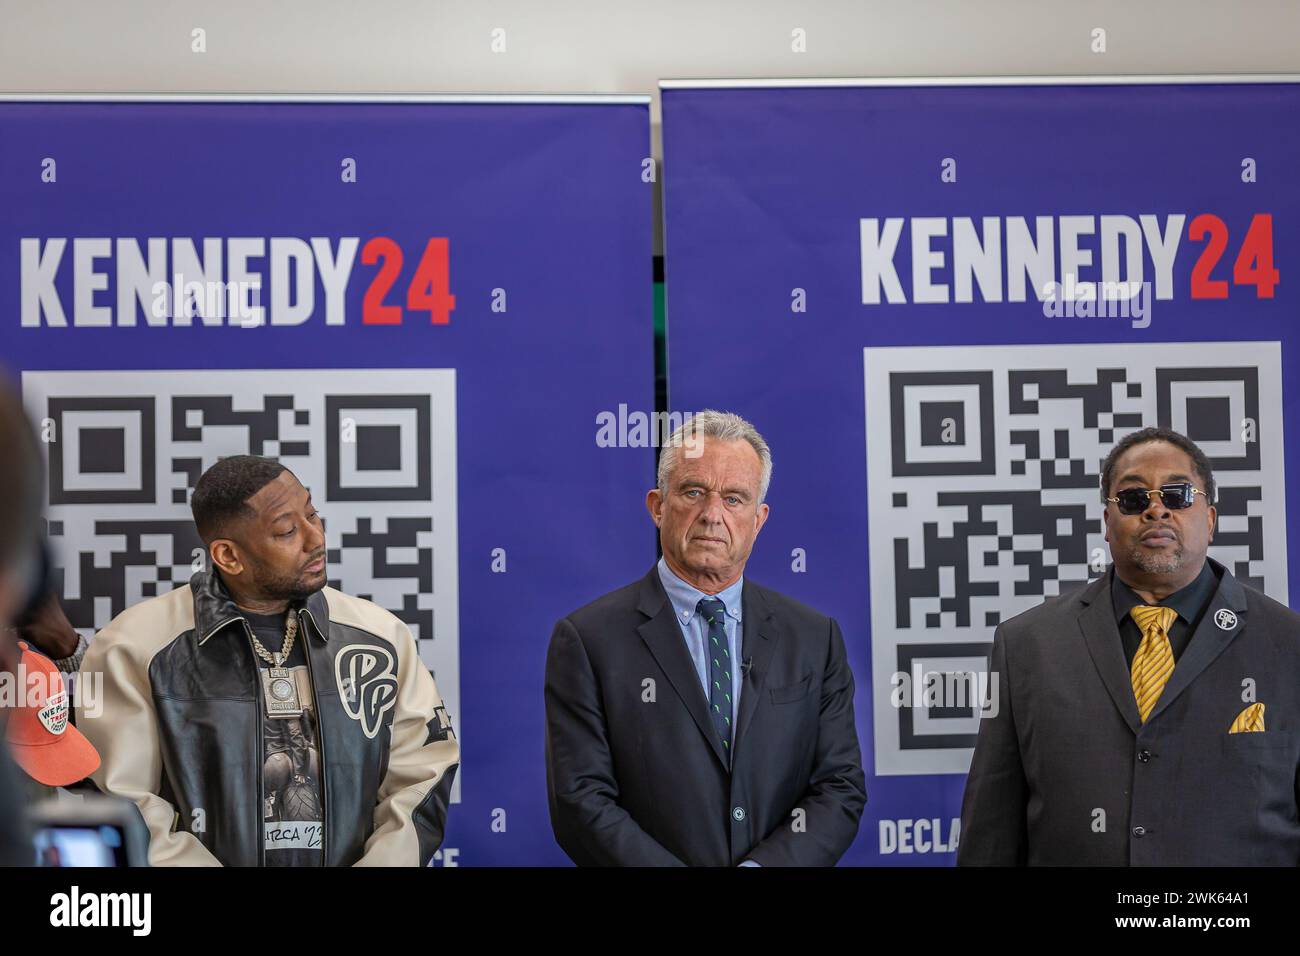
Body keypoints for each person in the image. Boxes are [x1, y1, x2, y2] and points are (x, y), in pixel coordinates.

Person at [76, 455, 458, 866]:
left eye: (313, 514)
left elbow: (422, 775)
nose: (316, 538)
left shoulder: (382, 637)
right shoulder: (133, 647)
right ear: (228, 555)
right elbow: (124, 803)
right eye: (287, 531)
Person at [959, 426, 1300, 865]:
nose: (1156, 510)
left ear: (1210, 520)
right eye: (1134, 499)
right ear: (1106, 522)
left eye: (1177, 495)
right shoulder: (1026, 646)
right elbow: (991, 833)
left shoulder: (1288, 645)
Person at [545, 410, 866, 866]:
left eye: (735, 499)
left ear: (759, 518)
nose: (713, 514)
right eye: (694, 491)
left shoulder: (816, 638)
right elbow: (580, 801)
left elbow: (839, 787)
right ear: (657, 506)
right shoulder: (588, 640)